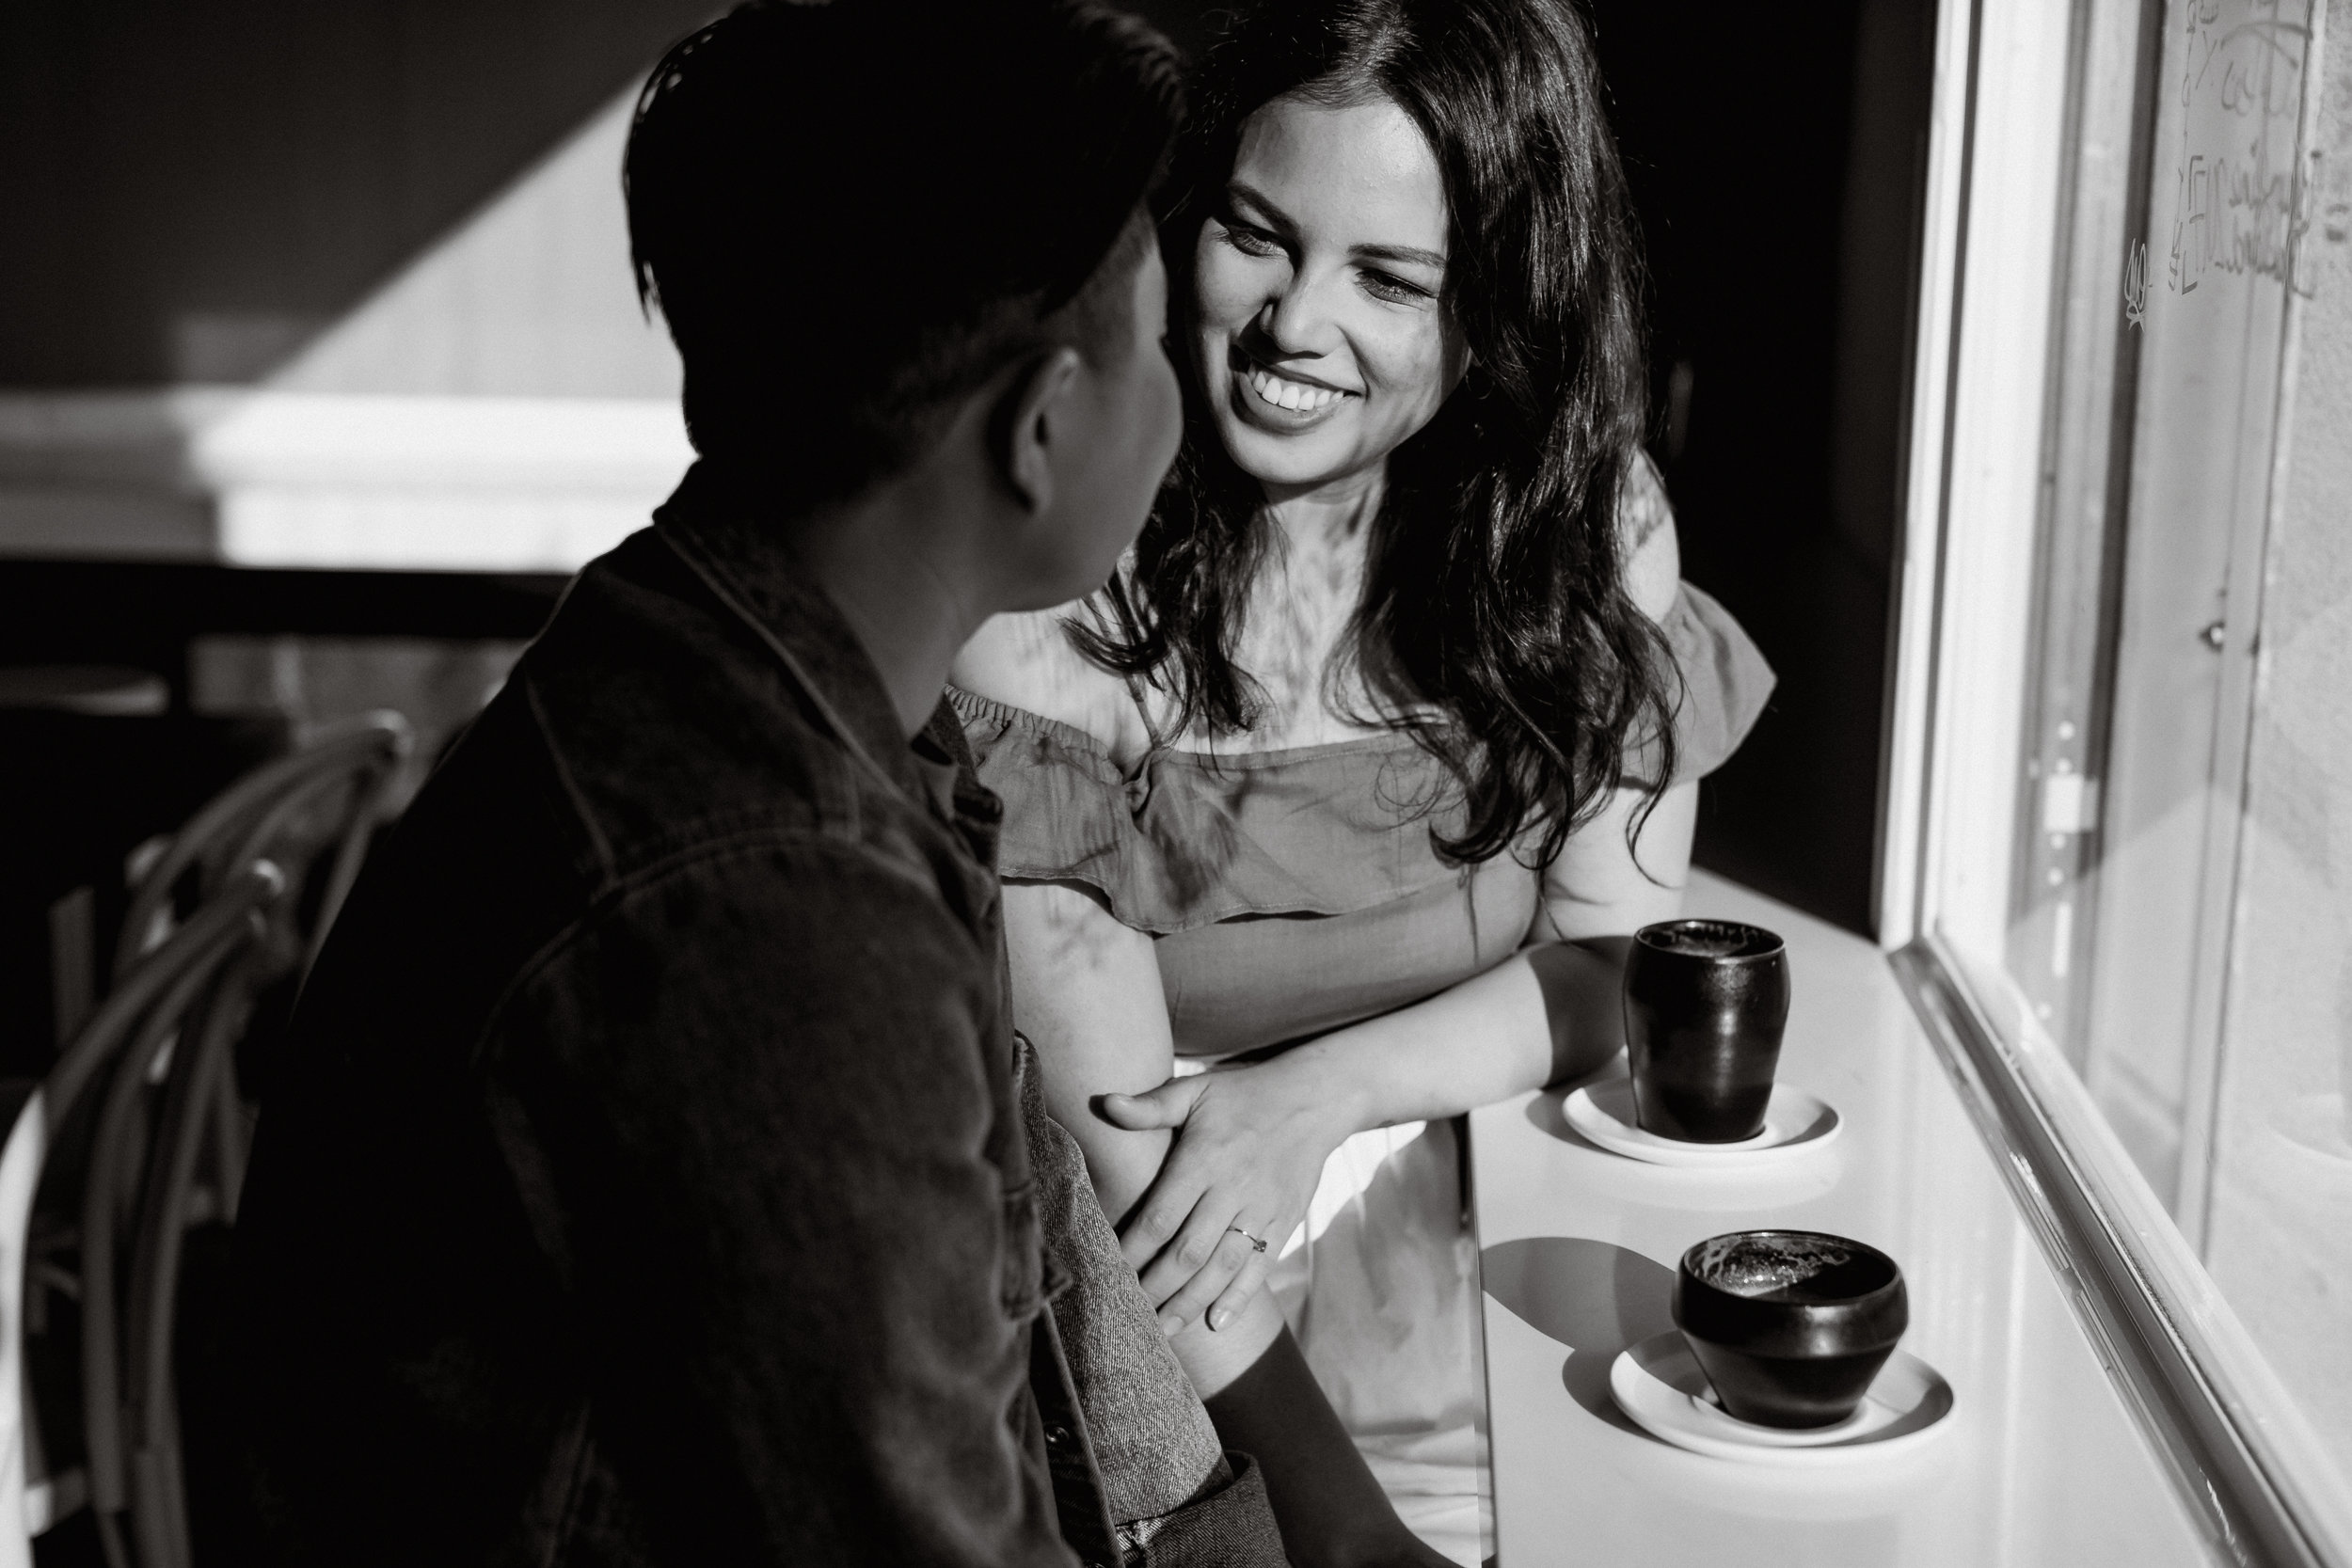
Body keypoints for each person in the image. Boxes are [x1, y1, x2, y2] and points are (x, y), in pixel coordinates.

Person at [228, 4, 1291, 1563]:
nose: (1185, 401)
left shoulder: (715, 663)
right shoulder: (776, 906)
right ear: (1045, 425)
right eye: (1147, 345)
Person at [949, 0, 1775, 1560]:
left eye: (1389, 278)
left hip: (1475, 1252)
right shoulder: (1058, 576)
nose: (1291, 325)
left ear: (1500, 312)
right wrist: (1343, 1532)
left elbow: (1617, 968)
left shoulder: (1585, 537)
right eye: (1257, 238)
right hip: (1132, 1330)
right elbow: (1118, 1151)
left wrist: (1314, 1094)